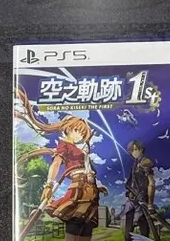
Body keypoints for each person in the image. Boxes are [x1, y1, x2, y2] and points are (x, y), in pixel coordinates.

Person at [15, 89, 106, 241]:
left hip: (91, 190)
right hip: (78, 187)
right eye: (78, 131)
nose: (80, 135)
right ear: (69, 129)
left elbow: (88, 169)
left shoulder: (81, 150)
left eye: (83, 134)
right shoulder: (64, 145)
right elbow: (56, 163)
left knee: (87, 224)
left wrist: (98, 187)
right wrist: (49, 185)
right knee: (75, 220)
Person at [121, 140, 155, 241]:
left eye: (136, 149)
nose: (134, 152)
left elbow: (151, 183)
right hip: (132, 200)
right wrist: (130, 192)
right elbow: (131, 183)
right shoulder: (135, 164)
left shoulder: (145, 162)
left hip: (142, 200)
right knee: (128, 233)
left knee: (144, 231)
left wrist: (150, 204)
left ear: (141, 149)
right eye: (132, 150)